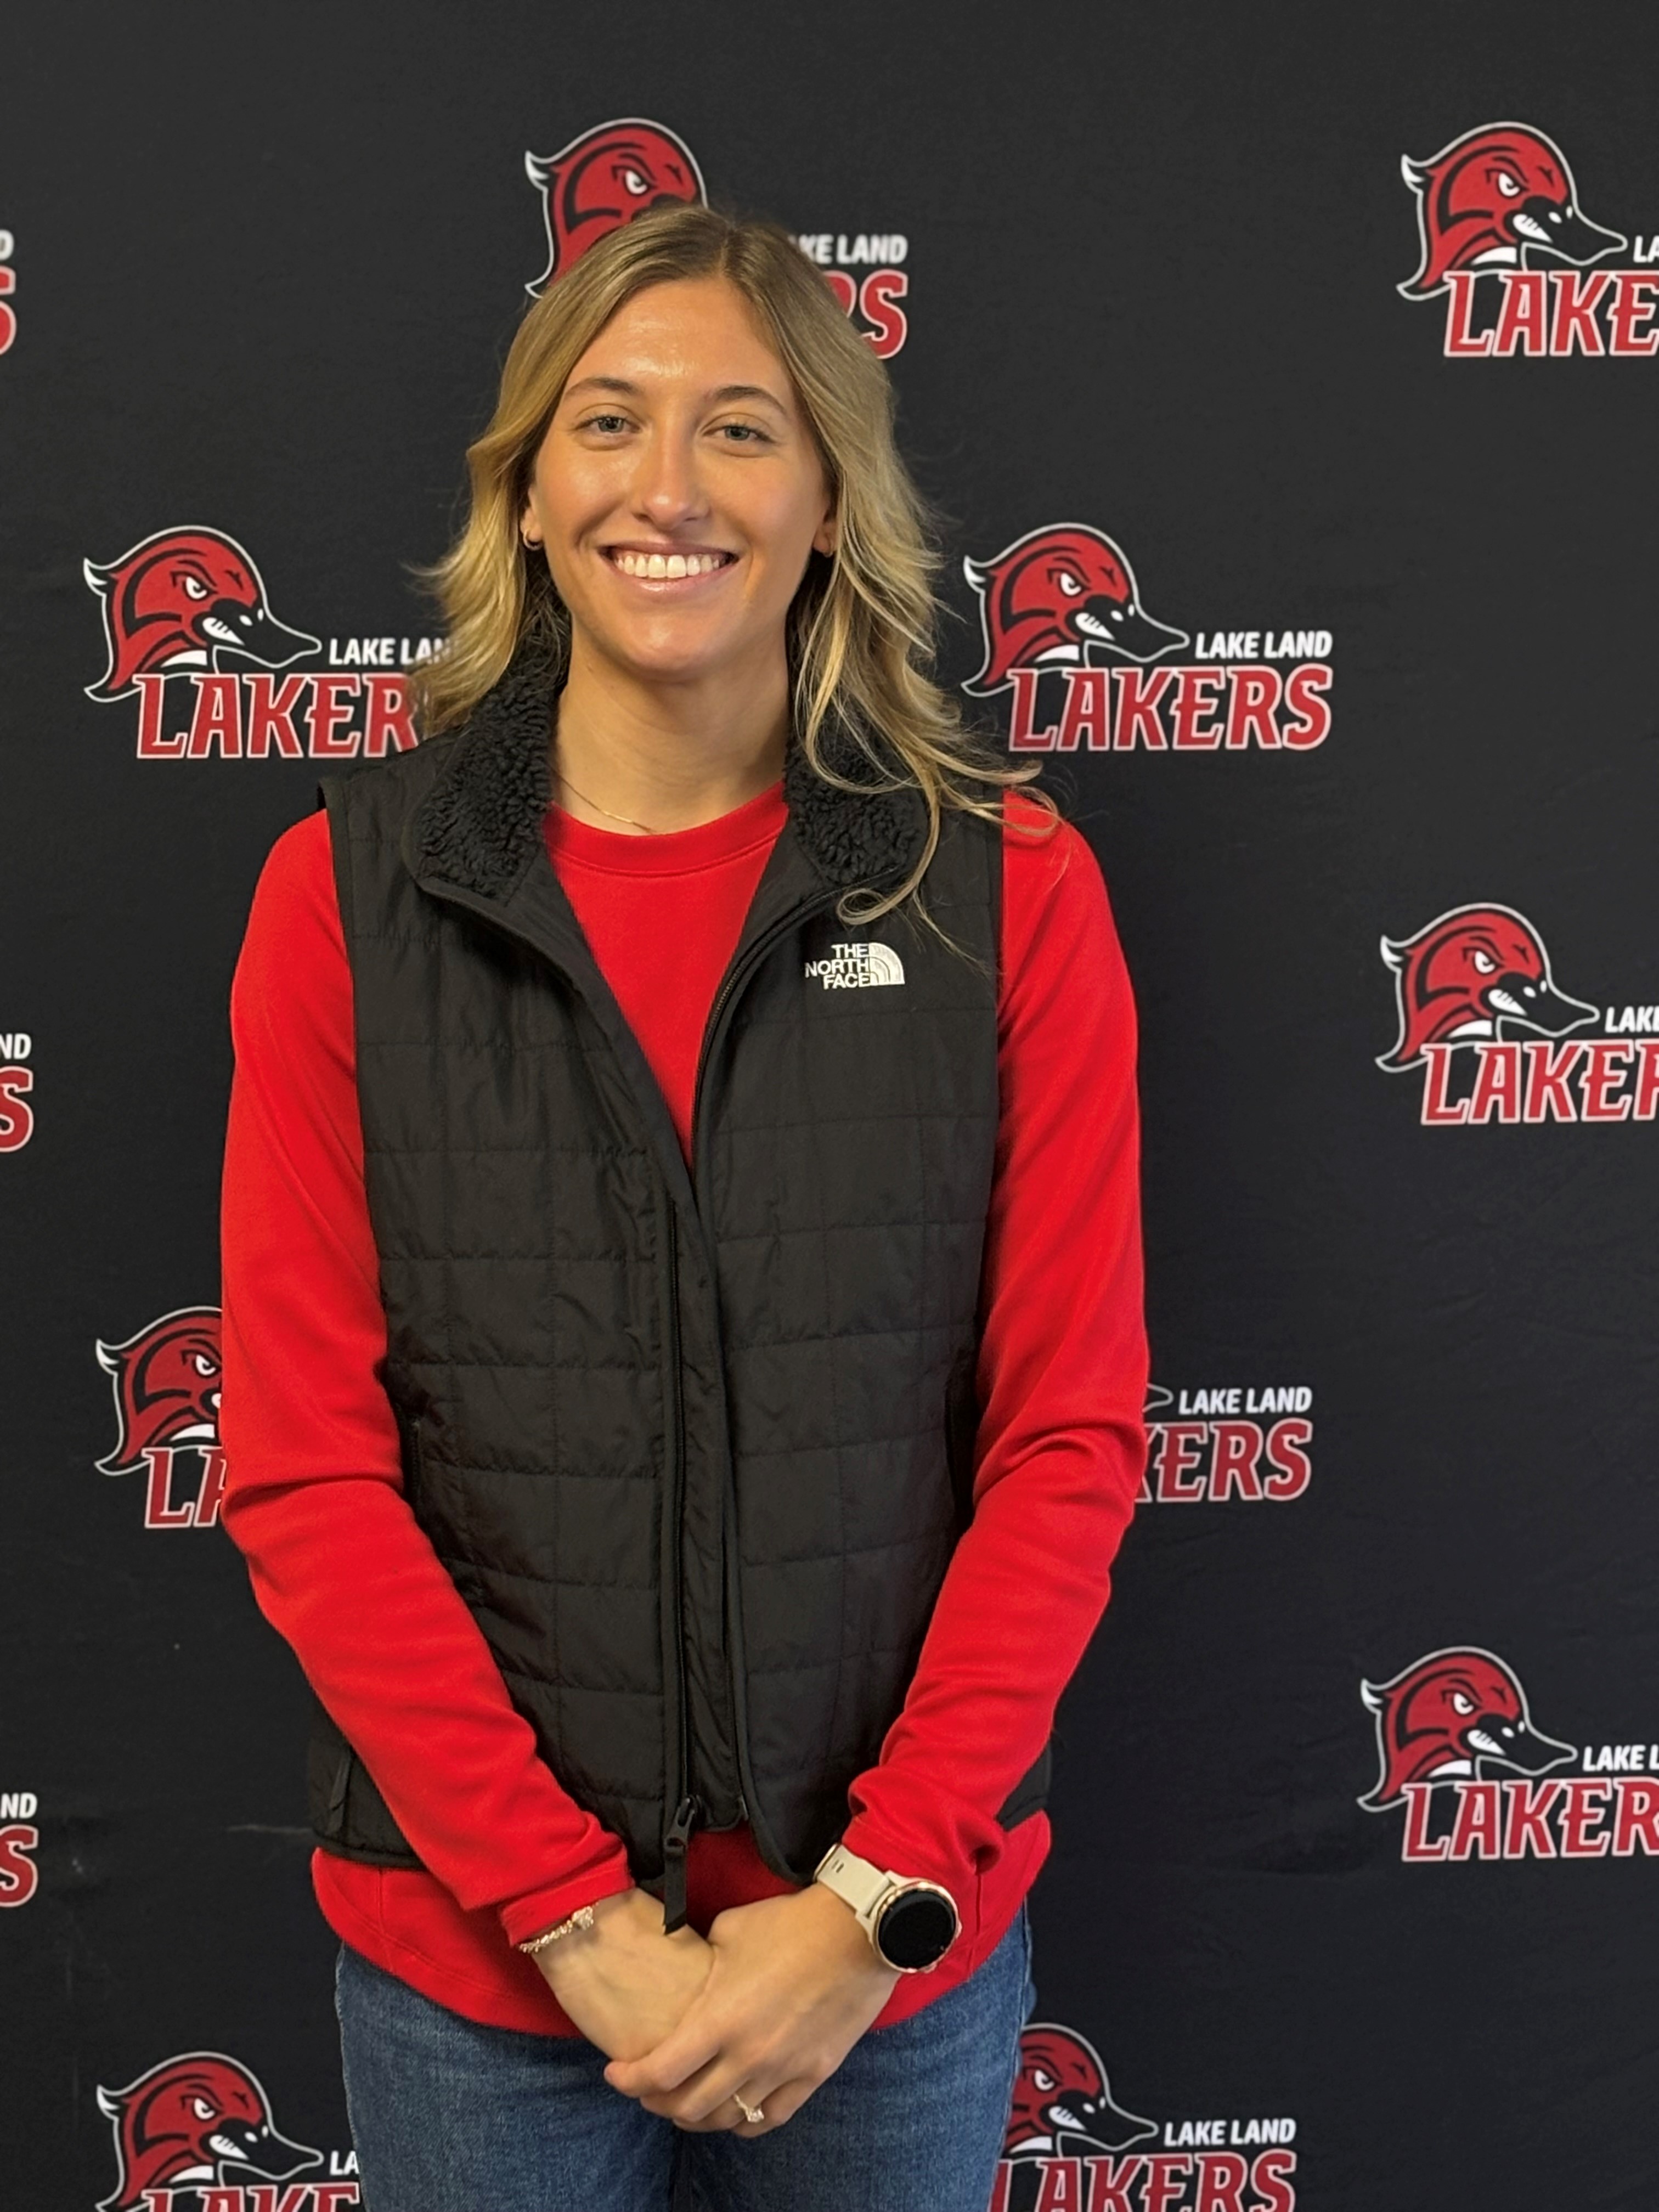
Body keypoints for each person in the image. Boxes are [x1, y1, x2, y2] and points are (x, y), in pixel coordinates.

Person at [219, 202, 1146, 2212]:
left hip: (887, 1972)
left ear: (828, 500)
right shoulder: (344, 901)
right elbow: (306, 1470)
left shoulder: (1010, 893)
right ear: (530, 490)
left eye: (742, 428)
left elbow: (1066, 1442)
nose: (667, 487)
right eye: (609, 421)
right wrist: (569, 1915)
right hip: (483, 1973)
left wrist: (872, 1903)